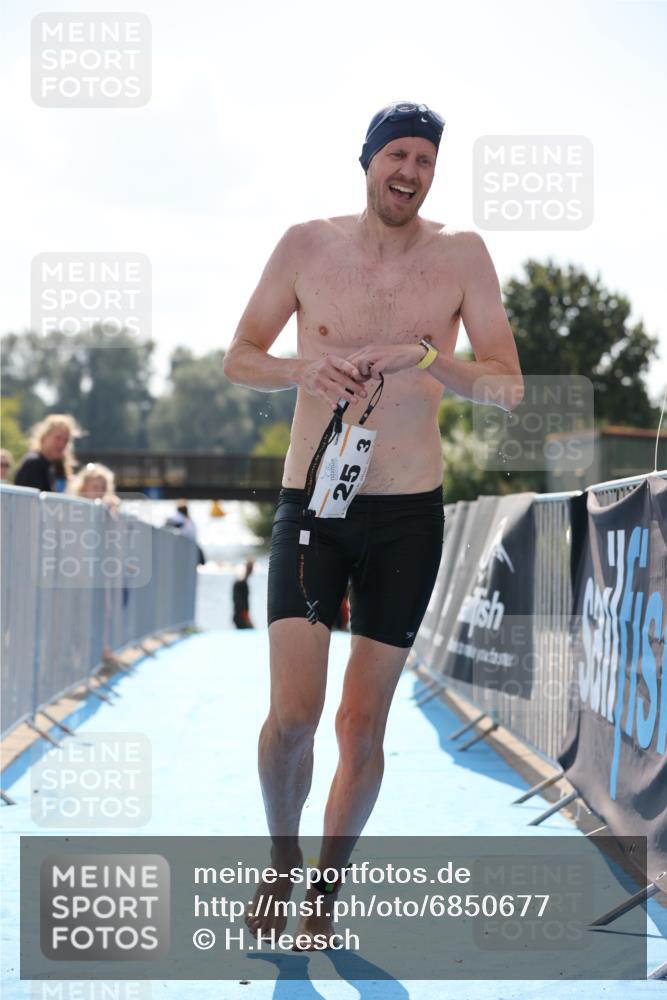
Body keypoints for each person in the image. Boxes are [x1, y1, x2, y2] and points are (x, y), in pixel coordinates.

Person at [223, 101, 524, 948]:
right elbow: (239, 355)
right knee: (293, 716)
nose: (410, 171)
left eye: (425, 160)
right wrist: (303, 367)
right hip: (312, 506)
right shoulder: (304, 245)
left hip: (405, 515)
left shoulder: (461, 256)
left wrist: (425, 356)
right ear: (367, 161)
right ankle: (281, 860)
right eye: (397, 154)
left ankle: (324, 886)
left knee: (362, 724)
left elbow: (505, 385)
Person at [14, 413, 82, 492]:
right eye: (58, 438)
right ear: (45, 437)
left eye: (66, 440)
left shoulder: (57, 468)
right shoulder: (33, 463)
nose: (62, 444)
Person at [232, 559, 255, 629]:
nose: (252, 570)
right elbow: (240, 603)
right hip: (241, 616)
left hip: (241, 615)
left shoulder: (242, 582)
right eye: (250, 568)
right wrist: (246, 617)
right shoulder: (241, 583)